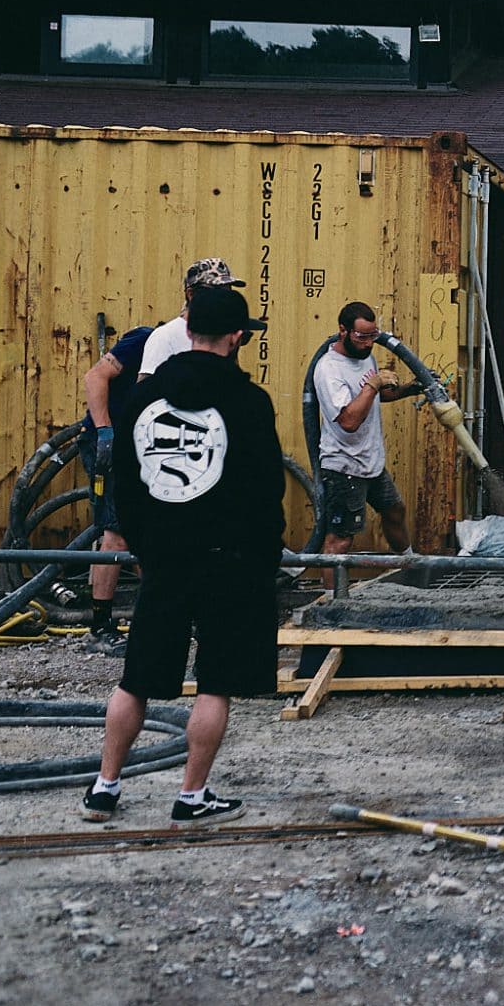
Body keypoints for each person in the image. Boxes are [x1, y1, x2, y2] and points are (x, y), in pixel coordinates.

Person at [81, 287, 284, 827]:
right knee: (214, 682)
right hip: (228, 558)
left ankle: (104, 789)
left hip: (163, 556)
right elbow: (267, 491)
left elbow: (126, 483)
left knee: (136, 678)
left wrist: (145, 547)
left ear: (188, 329)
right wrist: (265, 558)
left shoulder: (145, 399)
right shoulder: (248, 402)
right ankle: (191, 796)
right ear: (237, 336)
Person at [313, 302, 423, 555]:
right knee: (341, 538)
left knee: (395, 511)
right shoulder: (329, 369)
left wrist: (411, 388)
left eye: (373, 336)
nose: (368, 343)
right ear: (343, 331)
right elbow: (349, 421)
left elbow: (375, 398)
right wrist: (373, 383)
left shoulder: (365, 357)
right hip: (344, 465)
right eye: (361, 337)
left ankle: (409, 565)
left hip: (370, 462)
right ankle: (333, 594)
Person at [78, 321, 155, 655]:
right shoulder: (146, 339)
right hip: (110, 445)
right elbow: (95, 376)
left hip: (143, 449)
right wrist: (105, 431)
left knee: (146, 532)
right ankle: (99, 629)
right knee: (116, 532)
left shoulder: (195, 349)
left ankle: (160, 612)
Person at [138, 257, 246, 377]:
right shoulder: (165, 337)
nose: (224, 297)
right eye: (216, 291)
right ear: (191, 294)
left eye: (227, 290)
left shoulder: (225, 333)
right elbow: (146, 390)